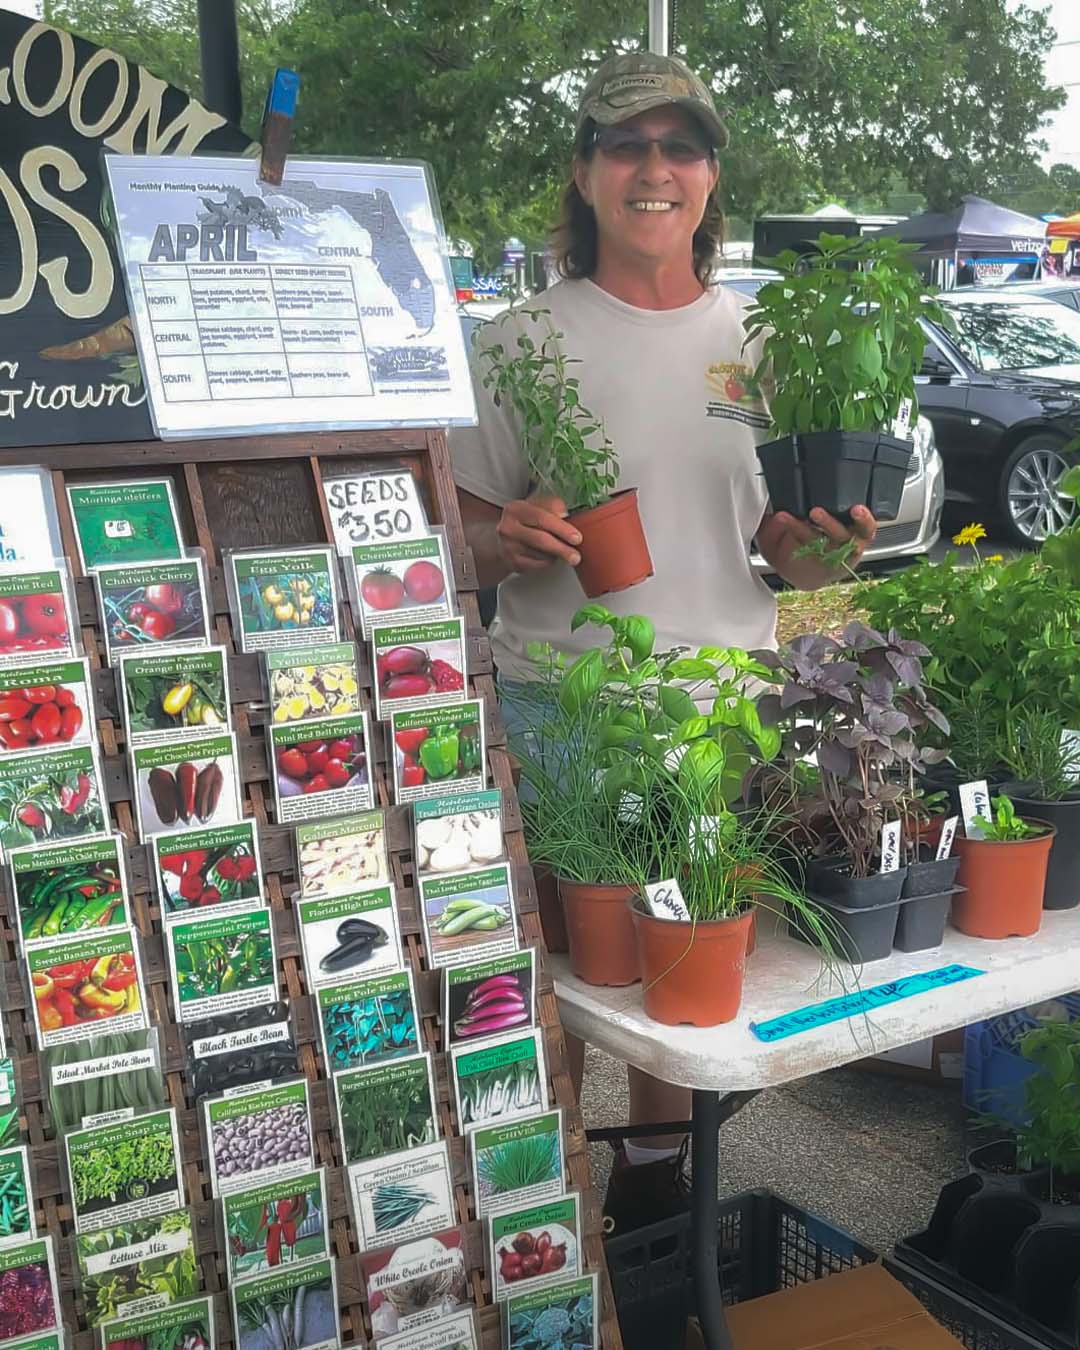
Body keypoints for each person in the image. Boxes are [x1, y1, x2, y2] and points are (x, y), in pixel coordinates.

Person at [449, 51, 877, 1235]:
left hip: (718, 703)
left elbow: (783, 552)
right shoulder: (515, 342)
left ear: (710, 178)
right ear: (583, 173)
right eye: (626, 146)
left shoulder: (764, 343)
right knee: (582, 977)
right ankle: (551, 1203)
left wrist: (814, 564)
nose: (654, 171)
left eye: (679, 147)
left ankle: (652, 1194)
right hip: (564, 703)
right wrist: (508, 536)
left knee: (683, 973)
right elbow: (457, 529)